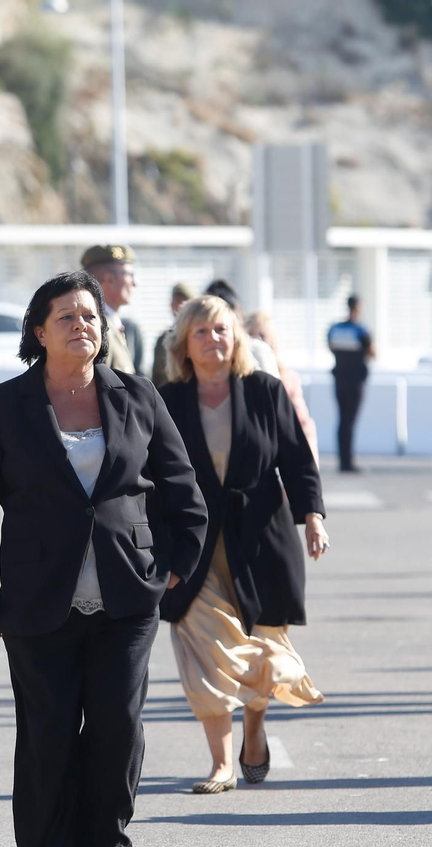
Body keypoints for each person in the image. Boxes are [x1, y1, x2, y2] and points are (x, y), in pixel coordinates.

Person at [0, 270, 207, 847]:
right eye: (66, 317)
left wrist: (175, 565)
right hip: (39, 599)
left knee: (119, 729)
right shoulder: (3, 407)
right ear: (38, 331)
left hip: (127, 594)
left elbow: (183, 490)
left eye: (90, 316)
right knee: (50, 737)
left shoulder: (137, 396)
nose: (81, 326)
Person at [159, 296, 326, 792]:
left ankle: (254, 727)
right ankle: (221, 764)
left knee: (263, 644)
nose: (214, 339)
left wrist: (312, 517)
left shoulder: (265, 391)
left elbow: (296, 459)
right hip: (192, 545)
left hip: (261, 541)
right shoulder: (166, 400)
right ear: (184, 345)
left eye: (222, 330)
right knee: (203, 649)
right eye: (202, 332)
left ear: (237, 338)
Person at [245, 310, 319, 464]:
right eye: (251, 335)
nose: (257, 341)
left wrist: (309, 464)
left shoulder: (288, 378)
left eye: (262, 335)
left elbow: (301, 423)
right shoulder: (234, 380)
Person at [328, 295, 374, 473]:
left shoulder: (335, 329)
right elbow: (371, 352)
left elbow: (331, 347)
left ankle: (343, 460)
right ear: (358, 308)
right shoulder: (361, 330)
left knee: (342, 420)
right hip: (355, 381)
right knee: (350, 421)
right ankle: (347, 462)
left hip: (339, 379)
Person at [79, 246, 138, 373]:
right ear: (109, 279)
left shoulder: (110, 323)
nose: (135, 283)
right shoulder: (97, 327)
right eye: (130, 275)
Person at [150, 282, 194, 387]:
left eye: (183, 301)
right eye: (176, 301)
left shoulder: (198, 337)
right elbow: (156, 377)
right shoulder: (163, 340)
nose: (179, 307)